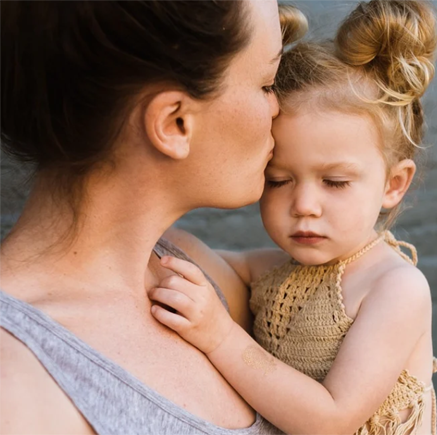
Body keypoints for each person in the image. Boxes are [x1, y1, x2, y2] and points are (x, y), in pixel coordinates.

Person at [0, 0, 305, 433]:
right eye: (267, 84)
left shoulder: (195, 272)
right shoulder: (17, 384)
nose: (279, 109)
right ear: (175, 123)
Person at [147, 1, 437, 434]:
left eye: (335, 182)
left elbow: (331, 419)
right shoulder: (273, 272)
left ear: (392, 184)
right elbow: (194, 254)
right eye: (279, 179)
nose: (304, 204)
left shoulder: (395, 289)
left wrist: (219, 335)